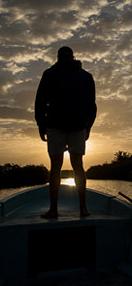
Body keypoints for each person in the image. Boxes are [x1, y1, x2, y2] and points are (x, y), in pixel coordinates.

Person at [35, 46, 97, 218]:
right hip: (69, 126)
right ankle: (81, 209)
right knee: (76, 166)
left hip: (61, 126)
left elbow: (39, 102)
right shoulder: (85, 76)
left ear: (58, 57)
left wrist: (41, 125)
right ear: (72, 57)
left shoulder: (50, 74)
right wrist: (88, 126)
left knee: (57, 166)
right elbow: (92, 105)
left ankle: (56, 209)